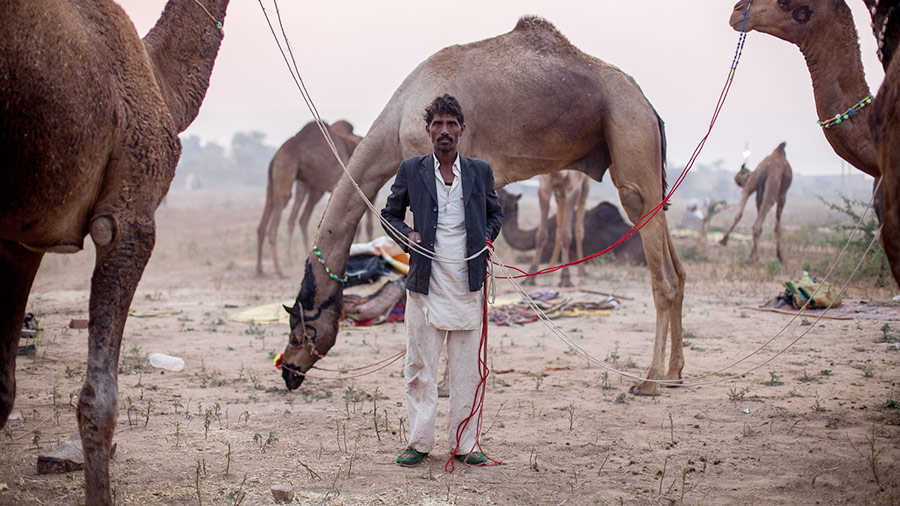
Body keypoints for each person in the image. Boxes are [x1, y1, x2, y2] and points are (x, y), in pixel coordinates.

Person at [381, 94, 503, 467]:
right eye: (438, 124)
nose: (445, 131)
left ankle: (466, 444)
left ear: (462, 130)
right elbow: (390, 215)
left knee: (468, 368)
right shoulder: (411, 169)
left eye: (452, 124)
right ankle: (419, 443)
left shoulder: (480, 172)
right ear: (428, 129)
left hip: (467, 282)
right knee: (421, 367)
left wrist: (486, 238)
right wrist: (408, 236)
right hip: (425, 283)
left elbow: (495, 214)